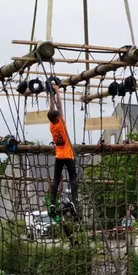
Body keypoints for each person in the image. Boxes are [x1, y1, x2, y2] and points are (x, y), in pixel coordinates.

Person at [47, 83, 78, 218]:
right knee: (73, 178)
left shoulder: (52, 126)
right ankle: (75, 200)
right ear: (57, 118)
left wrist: (50, 93)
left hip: (58, 155)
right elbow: (58, 106)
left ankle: (53, 202)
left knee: (56, 180)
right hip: (68, 155)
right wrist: (57, 91)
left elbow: (52, 109)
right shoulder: (60, 124)